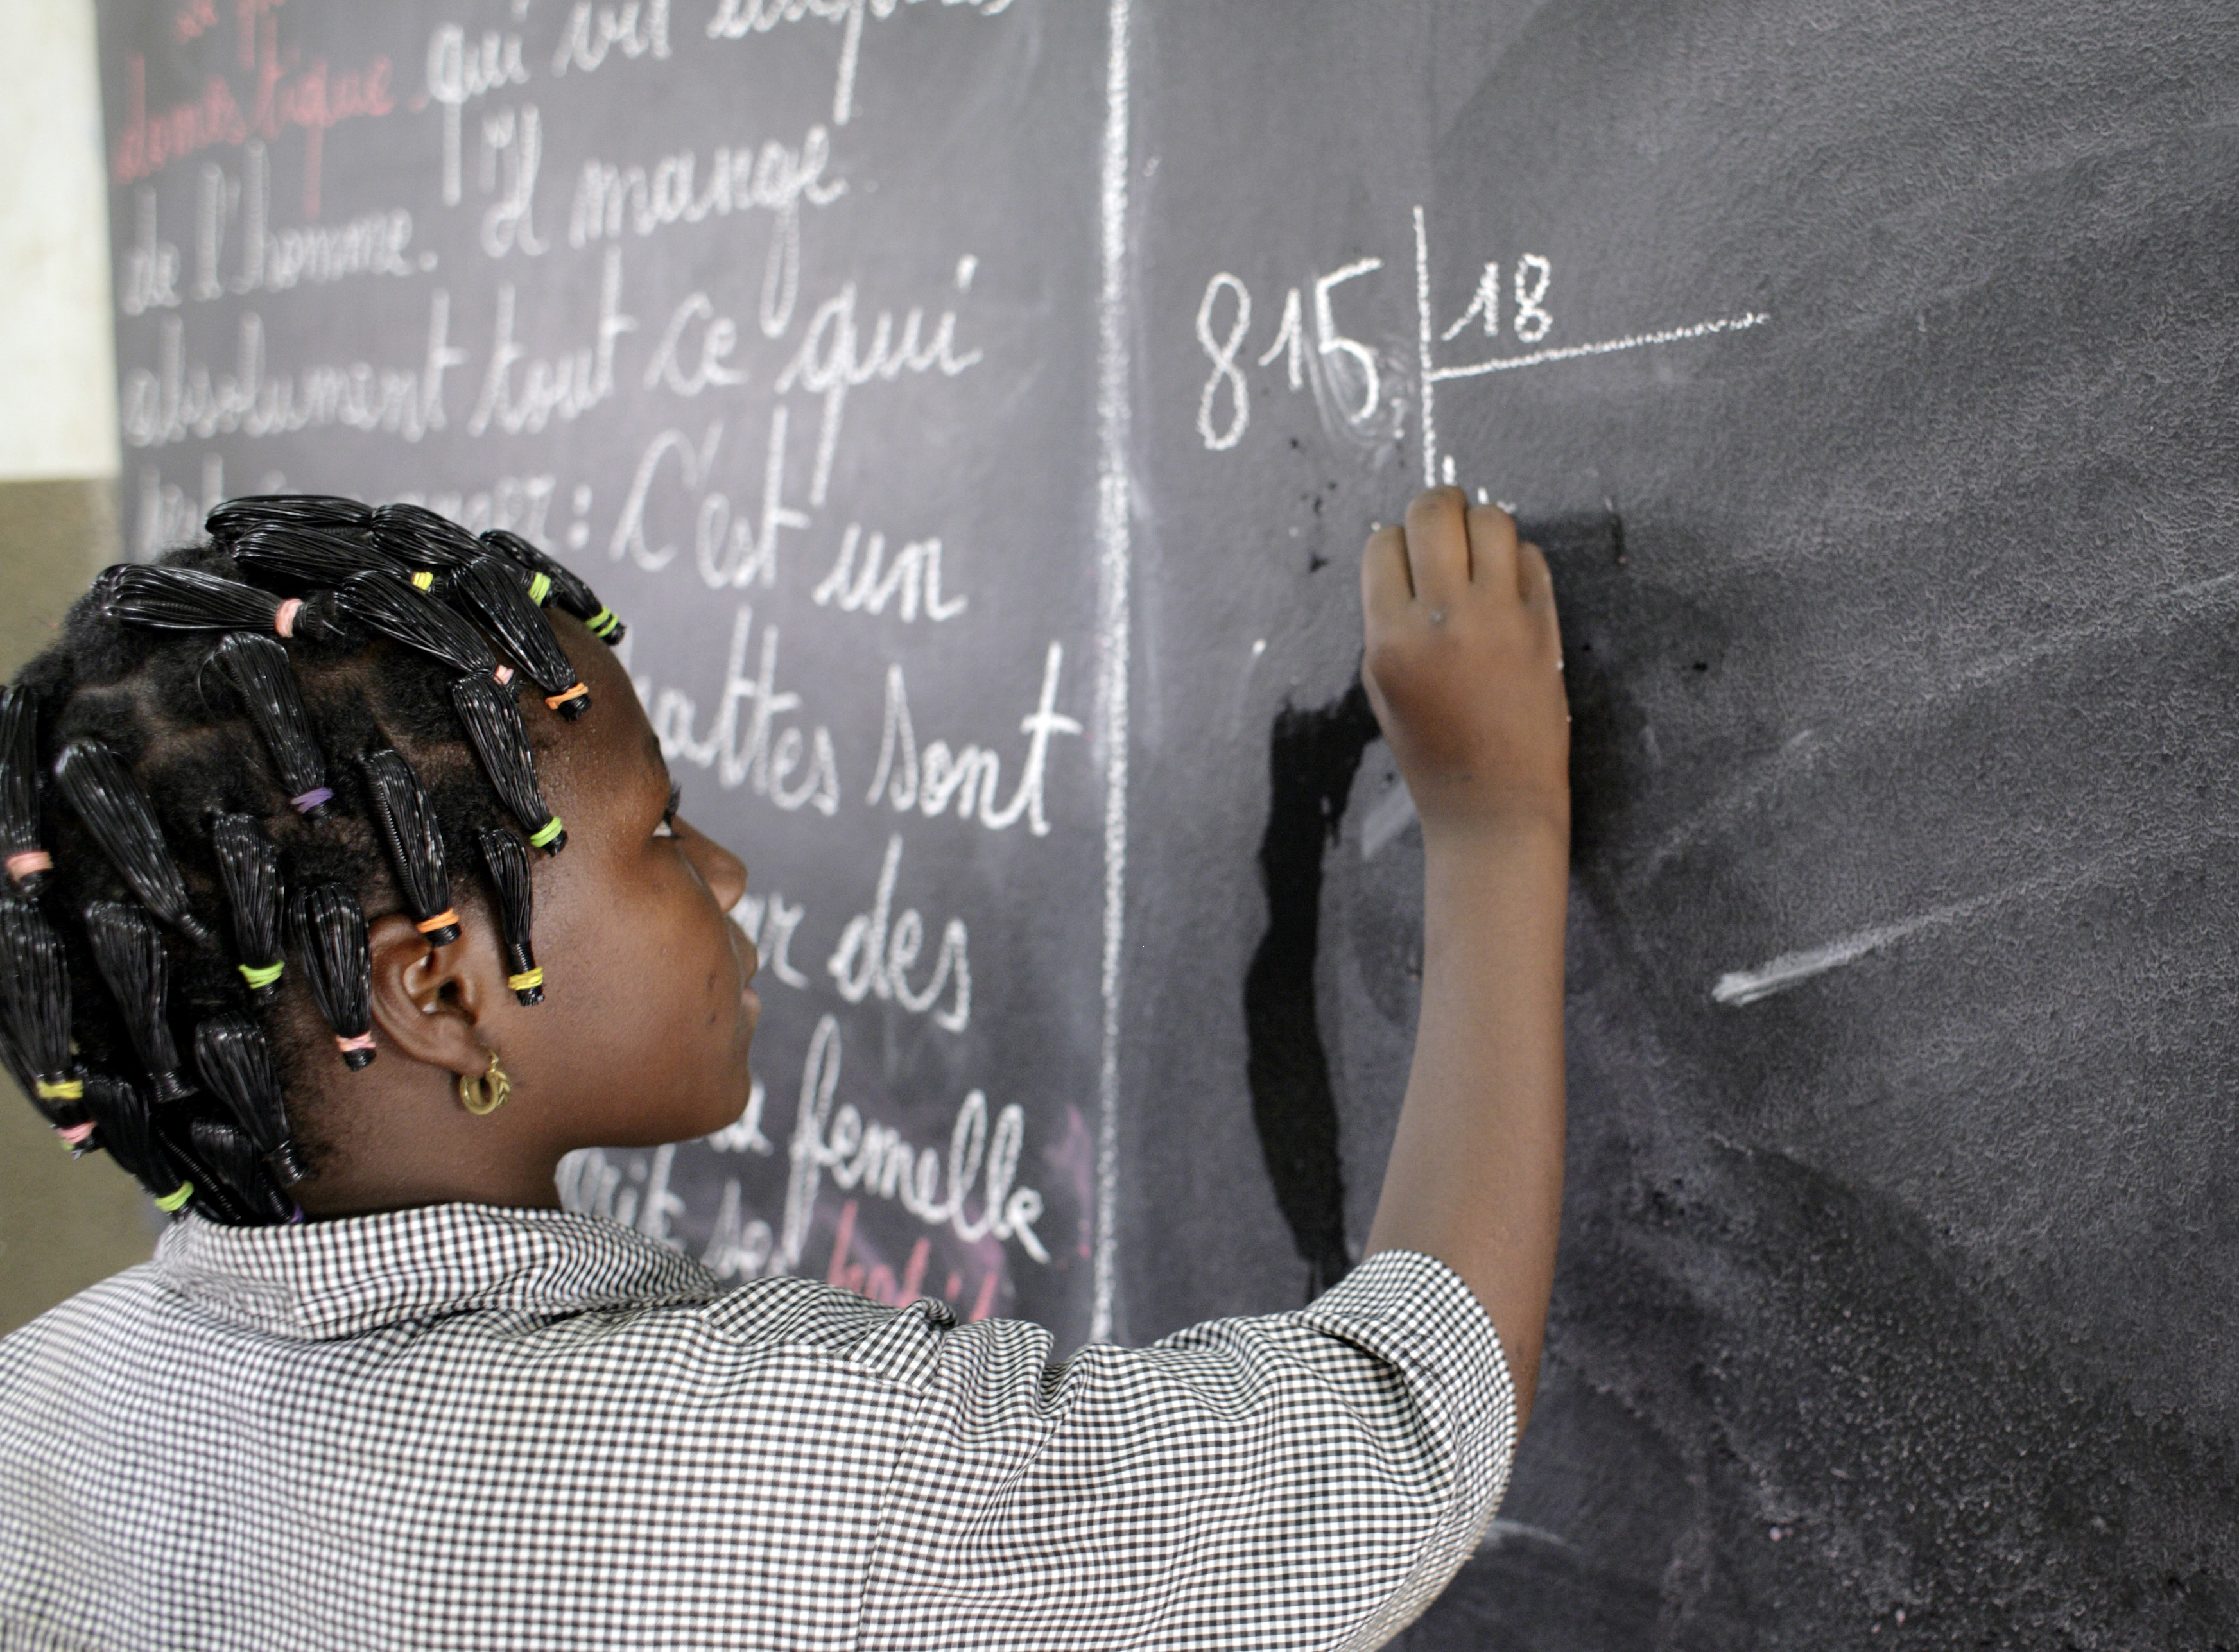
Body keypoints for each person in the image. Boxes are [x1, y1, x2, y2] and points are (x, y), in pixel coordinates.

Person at [0, 485, 1569, 1649]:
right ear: (441, 987)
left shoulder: (41, 1403)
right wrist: (1498, 826)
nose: (729, 872)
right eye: (656, 835)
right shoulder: (786, 1468)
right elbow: (1392, 1443)